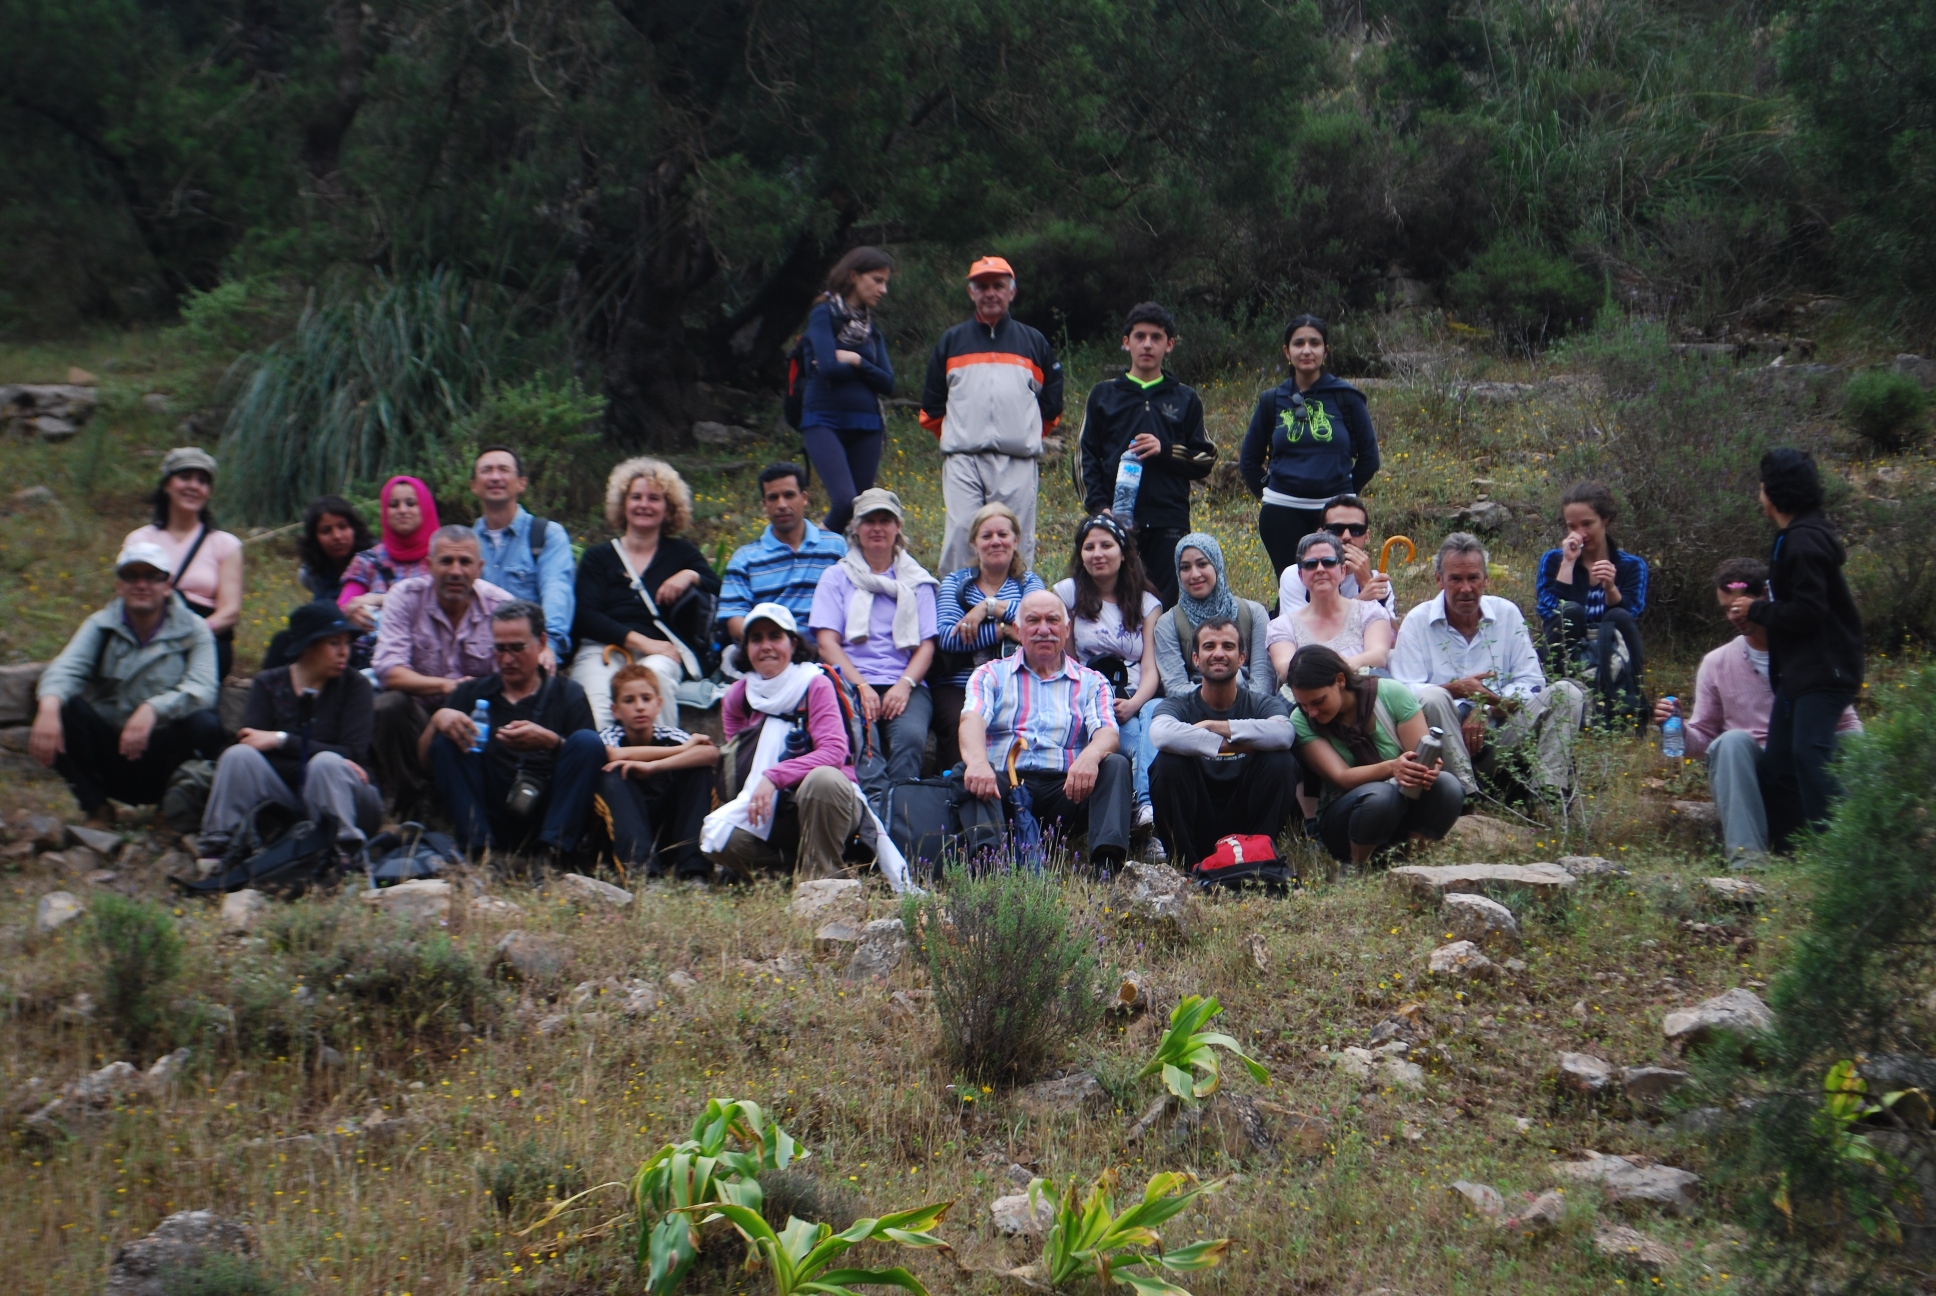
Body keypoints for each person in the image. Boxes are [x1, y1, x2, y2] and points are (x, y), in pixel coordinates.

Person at [1654, 559, 1861, 865]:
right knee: (1731, 742)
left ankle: (1848, 851)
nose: (1733, 616)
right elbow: (1704, 740)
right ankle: (1747, 864)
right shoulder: (1717, 663)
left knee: (1852, 745)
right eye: (1726, 609)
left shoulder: (1810, 654)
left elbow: (1847, 726)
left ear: (1766, 598)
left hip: (1811, 771)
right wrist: (1678, 729)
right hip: (1757, 778)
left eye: (1738, 606)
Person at [30, 543, 223, 825]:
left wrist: (153, 709)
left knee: (205, 724)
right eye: (131, 576)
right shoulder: (100, 624)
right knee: (62, 708)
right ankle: (96, 807)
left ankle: (172, 809)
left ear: (167, 585)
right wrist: (48, 706)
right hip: (112, 751)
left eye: (151, 576)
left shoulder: (196, 629)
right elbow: (66, 667)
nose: (141, 584)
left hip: (163, 753)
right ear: (120, 585)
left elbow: (203, 689)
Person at [1390, 533, 1586, 797]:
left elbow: (1532, 684)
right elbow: (1403, 693)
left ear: (1486, 579)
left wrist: (1488, 707)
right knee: (1433, 696)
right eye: (1455, 579)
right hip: (1441, 746)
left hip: (1502, 736)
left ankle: (1549, 795)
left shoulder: (1507, 614)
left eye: (1473, 578)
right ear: (1439, 580)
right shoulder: (1417, 621)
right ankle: (1464, 796)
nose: (1466, 589)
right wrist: (1455, 690)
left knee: (1567, 693)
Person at [1743, 448, 1865, 848]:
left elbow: (1810, 611)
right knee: (1779, 766)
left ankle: (1841, 853)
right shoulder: (1793, 538)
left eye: (1762, 485)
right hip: (1801, 676)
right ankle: (1793, 853)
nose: (1758, 493)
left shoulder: (1804, 542)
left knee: (1811, 757)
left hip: (1824, 672)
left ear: (1774, 492)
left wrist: (1758, 610)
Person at [197, 602, 382, 864]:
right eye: (334, 643)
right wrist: (313, 755)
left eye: (347, 643)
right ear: (309, 646)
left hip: (351, 801)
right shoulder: (268, 684)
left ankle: (344, 854)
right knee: (237, 756)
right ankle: (219, 848)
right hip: (285, 798)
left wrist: (280, 740)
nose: (344, 652)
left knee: (327, 765)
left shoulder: (356, 687)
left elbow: (352, 753)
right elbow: (253, 747)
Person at [958, 590, 1132, 871]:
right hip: (1004, 787)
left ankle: (1106, 865)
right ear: (1017, 630)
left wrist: (1089, 757)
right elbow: (971, 720)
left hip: (1066, 790)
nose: (1043, 629)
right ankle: (988, 863)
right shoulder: (990, 674)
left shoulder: (1091, 681)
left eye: (1052, 620)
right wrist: (978, 762)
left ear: (1066, 629)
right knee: (965, 771)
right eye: (1033, 621)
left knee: (1114, 764)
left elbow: (1108, 733)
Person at [700, 604, 870, 882]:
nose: (766, 646)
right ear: (746, 649)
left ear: (792, 643)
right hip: (770, 810)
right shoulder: (738, 696)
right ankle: (793, 872)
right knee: (721, 836)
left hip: (827, 803)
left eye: (774, 636)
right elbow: (738, 763)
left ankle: (823, 878)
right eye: (756, 639)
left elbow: (834, 753)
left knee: (823, 779)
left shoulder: (815, 683)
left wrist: (773, 777)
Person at [423, 601, 604, 863]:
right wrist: (437, 719)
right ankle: (479, 852)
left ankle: (552, 854)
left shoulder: (568, 694)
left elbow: (593, 762)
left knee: (587, 742)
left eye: (517, 648)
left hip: (546, 806)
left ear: (541, 643)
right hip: (488, 807)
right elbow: (426, 761)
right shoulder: (470, 694)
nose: (507, 659)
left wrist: (551, 743)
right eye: (500, 648)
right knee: (445, 742)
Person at [920, 256, 1065, 573]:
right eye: (982, 286)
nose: (990, 293)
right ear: (971, 293)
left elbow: (1053, 405)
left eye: (997, 286)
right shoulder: (951, 341)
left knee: (1014, 540)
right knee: (961, 537)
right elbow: (931, 408)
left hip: (1017, 460)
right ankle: (955, 612)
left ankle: (1015, 615)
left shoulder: (1033, 342)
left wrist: (1025, 435)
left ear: (1011, 292)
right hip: (963, 460)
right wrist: (960, 437)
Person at [1076, 301, 1216, 605]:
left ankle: (1160, 655)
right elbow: (1084, 457)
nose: (1148, 344)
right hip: (1117, 519)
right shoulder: (1104, 395)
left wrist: (1164, 450)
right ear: (1126, 343)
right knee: (1116, 598)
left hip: (1169, 519)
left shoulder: (1185, 398)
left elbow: (1205, 458)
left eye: (1157, 337)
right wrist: (1100, 507)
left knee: (1166, 603)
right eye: (1140, 336)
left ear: (1170, 345)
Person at [368, 526, 512, 814]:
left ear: (480, 568)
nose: (456, 571)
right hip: (418, 716)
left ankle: (472, 800)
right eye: (446, 561)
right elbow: (388, 670)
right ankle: (409, 799)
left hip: (476, 719)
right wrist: (446, 686)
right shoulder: (404, 597)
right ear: (429, 565)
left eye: (465, 562)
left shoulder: (502, 607)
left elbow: (513, 676)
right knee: (388, 705)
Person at [570, 457, 720, 731]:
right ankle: (606, 769)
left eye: (654, 498)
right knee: (598, 713)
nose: (644, 505)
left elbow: (718, 588)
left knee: (653, 680)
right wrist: (641, 642)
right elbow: (585, 616)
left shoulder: (682, 553)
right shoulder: (598, 557)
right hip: (603, 650)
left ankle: (662, 761)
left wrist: (691, 574)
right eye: (636, 497)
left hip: (663, 652)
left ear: (668, 508)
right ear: (623, 503)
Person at [809, 487, 937, 803]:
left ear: (897, 528)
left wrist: (905, 685)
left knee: (910, 737)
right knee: (862, 737)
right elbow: (827, 643)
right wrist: (861, 686)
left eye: (885, 520)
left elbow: (926, 645)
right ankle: (876, 811)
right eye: (869, 521)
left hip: (904, 682)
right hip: (850, 680)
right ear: (855, 528)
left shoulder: (917, 580)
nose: (877, 528)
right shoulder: (836, 577)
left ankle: (903, 811)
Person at [1288, 645, 1463, 866]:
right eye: (1303, 705)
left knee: (1447, 785)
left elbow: (1419, 758)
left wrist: (1426, 770)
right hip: (1348, 819)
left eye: (1318, 701)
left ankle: (1411, 858)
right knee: (1382, 795)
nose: (1312, 712)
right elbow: (1342, 777)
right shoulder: (1301, 720)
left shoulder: (1391, 694)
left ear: (1340, 680)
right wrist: (1392, 767)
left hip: (1405, 805)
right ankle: (1357, 865)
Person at [1147, 616, 1300, 868]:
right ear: (1196, 659)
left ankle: (1259, 859)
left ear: (1242, 658)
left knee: (1281, 761)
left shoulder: (1261, 703)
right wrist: (1240, 743)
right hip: (1198, 815)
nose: (1218, 653)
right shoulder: (1177, 704)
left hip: (1246, 813)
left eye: (1228, 646)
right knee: (1167, 764)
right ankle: (1189, 867)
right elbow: (1161, 734)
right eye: (1209, 646)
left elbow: (1284, 735)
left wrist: (1215, 726)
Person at [1237, 315, 1381, 580]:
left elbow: (1370, 459)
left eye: (1314, 343)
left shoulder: (1347, 397)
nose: (1306, 350)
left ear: (1325, 351)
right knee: (1293, 584)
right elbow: (1248, 460)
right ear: (1286, 351)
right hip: (1282, 513)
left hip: (1336, 519)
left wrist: (1342, 499)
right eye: (1298, 343)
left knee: (1334, 585)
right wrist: (1272, 495)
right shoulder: (1271, 400)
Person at [1053, 515, 1164, 850]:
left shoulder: (1146, 602)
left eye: (1106, 545)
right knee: (1133, 744)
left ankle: (1145, 808)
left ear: (1123, 552)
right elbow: (1066, 660)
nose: (1097, 553)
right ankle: (1144, 808)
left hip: (1134, 696)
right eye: (1089, 547)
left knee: (1155, 714)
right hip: (1090, 698)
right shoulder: (1067, 593)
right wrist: (1098, 704)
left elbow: (1150, 667)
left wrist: (1134, 703)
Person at [932, 502, 1044, 773]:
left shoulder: (1028, 583)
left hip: (1015, 683)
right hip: (960, 683)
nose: (996, 541)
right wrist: (1002, 630)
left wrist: (988, 607)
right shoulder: (956, 583)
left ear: (1015, 540)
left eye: (1003, 535)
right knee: (961, 726)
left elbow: (1037, 626)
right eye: (987, 535)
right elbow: (947, 637)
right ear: (974, 543)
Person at [123, 446, 244, 680]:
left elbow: (230, 612)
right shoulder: (140, 540)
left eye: (202, 481)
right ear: (167, 484)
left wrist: (189, 636)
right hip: (149, 633)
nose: (193, 486)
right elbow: (126, 598)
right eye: (185, 477)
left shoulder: (226, 545)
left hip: (206, 640)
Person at [799, 247, 896, 533]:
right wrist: (867, 370)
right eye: (877, 280)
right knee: (844, 502)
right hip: (823, 418)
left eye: (885, 282)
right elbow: (827, 368)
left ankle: (849, 573)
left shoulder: (871, 330)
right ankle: (812, 551)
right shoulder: (823, 314)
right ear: (854, 276)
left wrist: (855, 360)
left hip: (867, 423)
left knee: (861, 513)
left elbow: (888, 383)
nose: (884, 289)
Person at [1535, 481, 1650, 724]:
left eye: (1587, 524)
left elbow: (1631, 614)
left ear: (1605, 519)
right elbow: (1548, 610)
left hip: (1611, 644)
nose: (1580, 533)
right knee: (1571, 611)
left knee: (1617, 617)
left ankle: (1627, 701)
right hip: (1567, 644)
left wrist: (1611, 588)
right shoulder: (1553, 560)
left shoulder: (1631, 565)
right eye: (1572, 526)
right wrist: (1567, 565)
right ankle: (1555, 697)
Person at [595, 664, 719, 881]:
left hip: (665, 830)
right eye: (629, 701)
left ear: (658, 704)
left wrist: (653, 766)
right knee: (610, 774)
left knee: (698, 770)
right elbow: (612, 755)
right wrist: (680, 750)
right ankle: (644, 875)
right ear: (615, 710)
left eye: (646, 698)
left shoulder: (669, 735)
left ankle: (694, 873)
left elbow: (711, 753)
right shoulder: (609, 737)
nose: (639, 707)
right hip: (623, 831)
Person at [718, 462, 848, 649]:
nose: (782, 505)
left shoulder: (835, 547)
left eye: (789, 495)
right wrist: (773, 645)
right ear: (764, 504)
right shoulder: (745, 559)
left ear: (804, 498)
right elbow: (734, 619)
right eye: (773, 498)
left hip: (826, 651)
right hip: (770, 654)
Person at [470, 446, 575, 664]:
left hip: (530, 652)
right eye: (486, 470)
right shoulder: (467, 545)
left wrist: (549, 646)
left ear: (521, 483)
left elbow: (557, 591)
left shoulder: (545, 535)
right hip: (479, 654)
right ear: (473, 486)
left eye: (504, 469)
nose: (495, 477)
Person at [1153, 534, 1274, 697]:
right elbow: (1175, 687)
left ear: (1217, 565)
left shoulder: (1253, 613)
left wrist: (1236, 704)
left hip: (1249, 706)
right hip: (1193, 710)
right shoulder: (1168, 623)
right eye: (1185, 567)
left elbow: (1263, 682)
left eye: (1202, 564)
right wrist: (1213, 700)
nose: (1194, 574)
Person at [1267, 532, 1394, 682]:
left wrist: (1346, 665)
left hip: (1361, 692)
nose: (1320, 569)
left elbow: (1378, 655)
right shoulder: (1282, 626)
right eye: (1310, 564)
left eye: (1328, 562)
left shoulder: (1370, 612)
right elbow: (1284, 669)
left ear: (1342, 571)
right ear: (1300, 576)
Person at [339, 475, 440, 662]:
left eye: (411, 503)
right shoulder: (367, 560)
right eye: (393, 505)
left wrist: (379, 598)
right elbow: (345, 605)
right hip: (374, 661)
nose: (402, 510)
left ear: (425, 507)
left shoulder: (445, 559)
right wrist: (352, 613)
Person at [1275, 493, 1395, 618]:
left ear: (1367, 536)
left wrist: (1367, 583)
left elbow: (1393, 634)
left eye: (1356, 530)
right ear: (1321, 533)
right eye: (1336, 529)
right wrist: (1362, 600)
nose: (1347, 537)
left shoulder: (1377, 581)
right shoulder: (1300, 574)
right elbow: (1300, 631)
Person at [296, 496, 374, 604]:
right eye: (326, 531)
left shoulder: (376, 562)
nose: (337, 536)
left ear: (355, 529)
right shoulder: (310, 574)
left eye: (343, 527)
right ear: (314, 538)